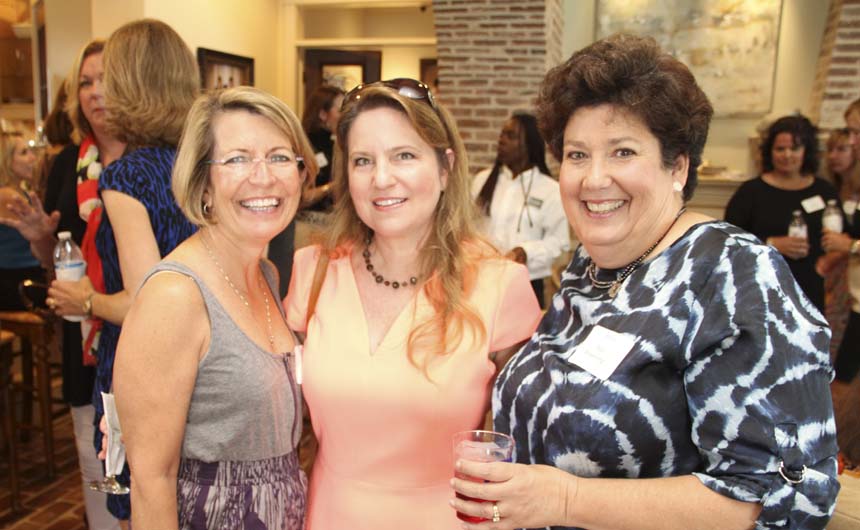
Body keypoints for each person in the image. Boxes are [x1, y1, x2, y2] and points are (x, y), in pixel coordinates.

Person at [451, 34, 839, 530]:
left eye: (622, 152)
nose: (593, 179)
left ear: (678, 166)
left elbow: (786, 498)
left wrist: (567, 500)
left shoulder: (734, 274)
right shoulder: (592, 266)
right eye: (577, 154)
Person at [285, 78, 541, 530]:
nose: (381, 178)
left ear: (445, 168)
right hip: (327, 515)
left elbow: (529, 443)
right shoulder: (313, 272)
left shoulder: (500, 285)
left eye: (404, 155)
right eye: (363, 161)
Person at [113, 86, 314, 530]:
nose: (263, 177)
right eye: (238, 159)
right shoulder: (175, 294)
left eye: (280, 157)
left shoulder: (266, 275)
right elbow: (151, 480)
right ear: (203, 184)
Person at [45, 20, 198, 524]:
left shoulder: (128, 175)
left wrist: (86, 301)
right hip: (200, 362)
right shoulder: (200, 161)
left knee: (144, 505)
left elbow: (145, 304)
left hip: (144, 372)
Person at [0, 39, 126, 530]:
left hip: (139, 332)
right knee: (95, 463)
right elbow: (58, 259)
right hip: (84, 335)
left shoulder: (154, 163)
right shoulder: (68, 163)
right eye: (85, 83)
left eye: (105, 80)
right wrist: (41, 238)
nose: (94, 92)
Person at [725, 115, 841, 313]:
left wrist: (832, 260)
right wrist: (771, 244)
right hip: (761, 290)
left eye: (794, 148)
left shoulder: (825, 191)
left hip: (811, 291)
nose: (787, 155)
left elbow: (843, 238)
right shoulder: (750, 192)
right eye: (780, 149)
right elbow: (728, 242)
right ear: (769, 152)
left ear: (806, 151)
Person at [472, 112, 569, 307]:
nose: (501, 140)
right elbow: (468, 229)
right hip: (480, 281)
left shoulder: (550, 190)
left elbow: (558, 243)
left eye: (511, 136)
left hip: (526, 285)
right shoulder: (482, 181)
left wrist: (525, 252)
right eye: (502, 134)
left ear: (529, 144)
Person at [0, 130, 44, 311]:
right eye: (24, 153)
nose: (33, 158)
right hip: (15, 279)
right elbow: (41, 230)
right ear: (6, 161)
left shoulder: (20, 191)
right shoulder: (8, 195)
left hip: (24, 273)